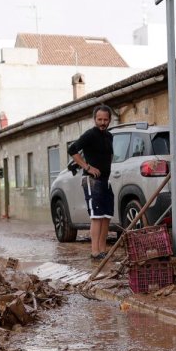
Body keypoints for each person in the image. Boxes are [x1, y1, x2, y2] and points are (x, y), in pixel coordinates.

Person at [67, 105, 114, 260]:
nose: (102, 122)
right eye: (99, 119)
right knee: (97, 216)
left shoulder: (109, 136)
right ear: (95, 119)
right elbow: (72, 149)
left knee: (106, 216)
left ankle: (102, 250)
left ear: (109, 120)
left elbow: (110, 155)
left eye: (105, 120)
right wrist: (87, 167)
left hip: (106, 180)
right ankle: (94, 252)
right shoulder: (90, 135)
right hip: (92, 180)